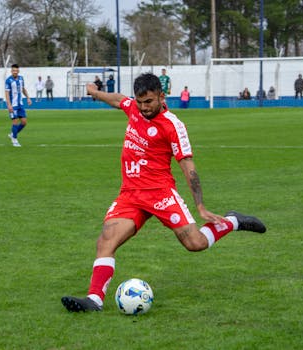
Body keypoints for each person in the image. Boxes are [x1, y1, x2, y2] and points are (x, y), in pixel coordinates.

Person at [61, 73, 267, 313]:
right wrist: (95, 93)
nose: (144, 107)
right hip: (130, 193)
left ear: (161, 96)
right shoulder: (134, 108)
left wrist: (200, 206)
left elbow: (188, 166)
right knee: (106, 239)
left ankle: (232, 221)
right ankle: (94, 300)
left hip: (160, 193)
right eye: (140, 102)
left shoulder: (173, 125)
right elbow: (119, 100)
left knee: (195, 243)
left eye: (148, 102)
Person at [5, 64, 32, 147]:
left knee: (24, 122)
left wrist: (28, 98)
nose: (15, 72)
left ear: (18, 71)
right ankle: (15, 140)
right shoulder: (8, 80)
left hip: (20, 104)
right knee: (15, 122)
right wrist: (9, 105)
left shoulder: (21, 78)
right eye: (13, 70)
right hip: (13, 105)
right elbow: (6, 93)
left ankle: (13, 134)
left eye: (16, 70)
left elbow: (23, 89)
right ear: (11, 71)